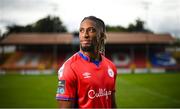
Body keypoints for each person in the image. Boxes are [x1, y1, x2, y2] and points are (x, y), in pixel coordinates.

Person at [56, 16, 117, 108]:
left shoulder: (111, 66)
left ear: (102, 36)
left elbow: (112, 104)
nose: (85, 35)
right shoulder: (68, 68)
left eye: (91, 30)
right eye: (81, 30)